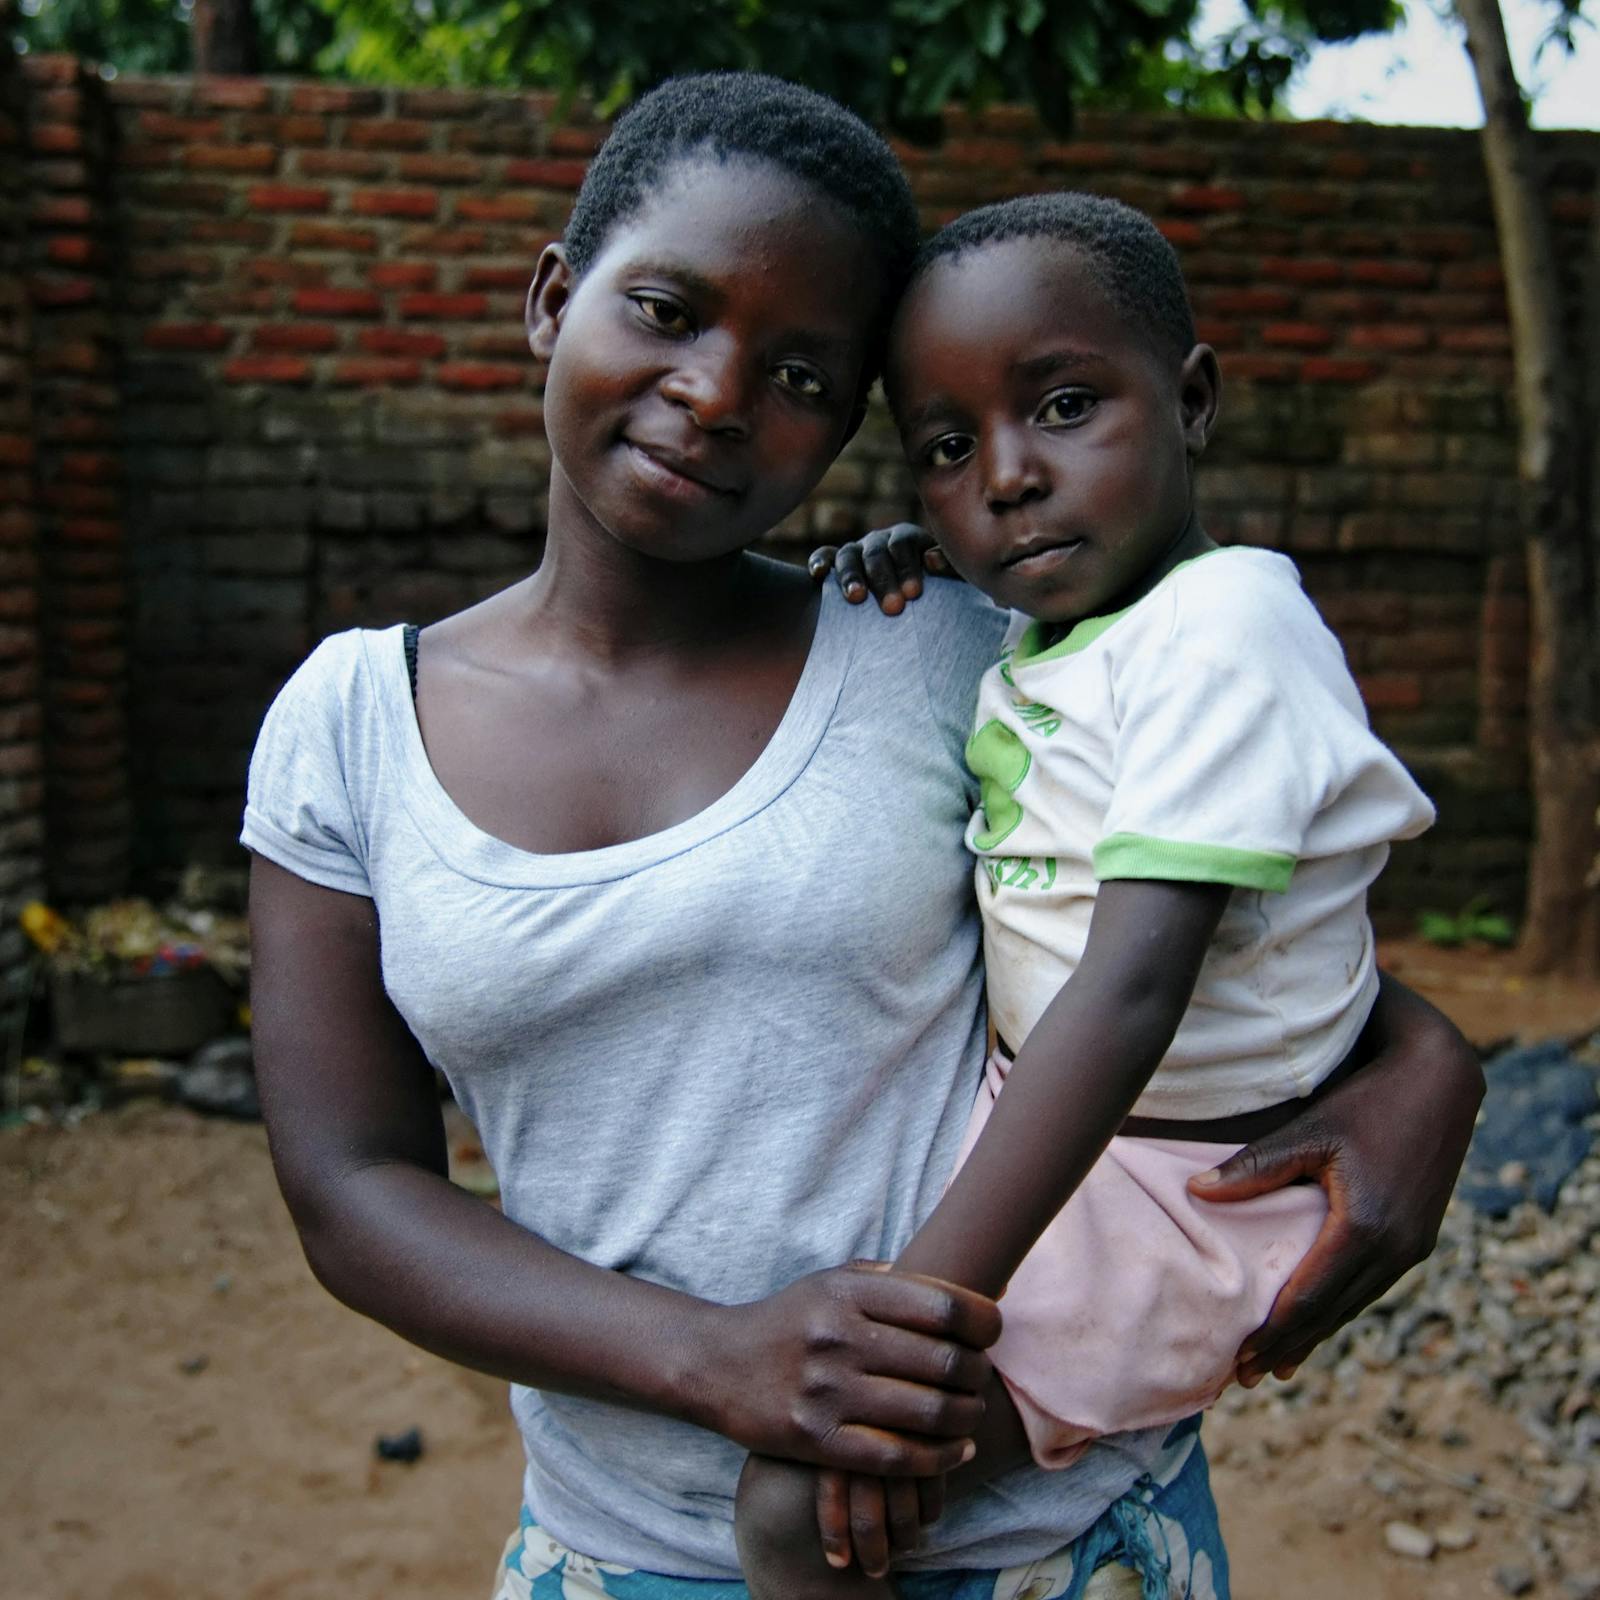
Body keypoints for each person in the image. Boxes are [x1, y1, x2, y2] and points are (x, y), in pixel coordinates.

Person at [242, 75, 1483, 1600]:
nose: (713, 391)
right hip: (623, 1550)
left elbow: (1209, 912)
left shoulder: (951, 647)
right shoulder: (354, 724)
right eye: (664, 309)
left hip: (1050, 1545)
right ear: (552, 301)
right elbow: (354, 1193)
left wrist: (1428, 1063)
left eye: (804, 377)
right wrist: (717, 1361)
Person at [734, 190, 1446, 1596]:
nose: (1004, 477)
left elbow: (1130, 990)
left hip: (1181, 1186)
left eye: (1063, 407)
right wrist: (915, 557)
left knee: (797, 1505)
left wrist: (929, 1304)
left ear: (1191, 402)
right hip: (1075, 1134)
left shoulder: (1224, 624)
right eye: (948, 450)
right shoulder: (1075, 625)